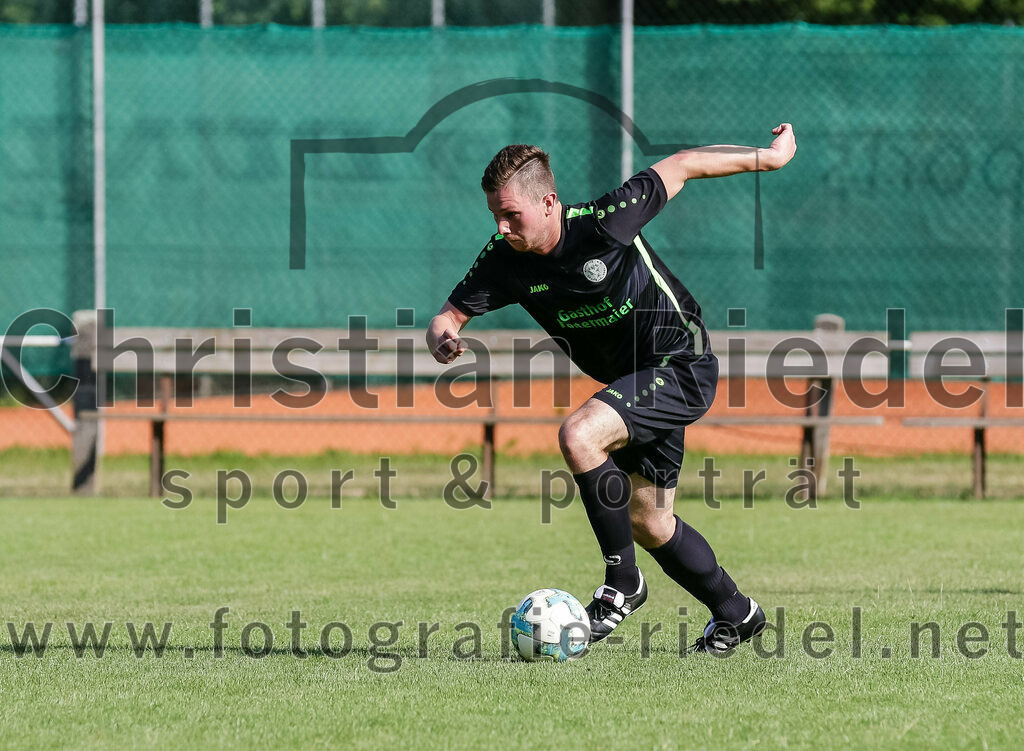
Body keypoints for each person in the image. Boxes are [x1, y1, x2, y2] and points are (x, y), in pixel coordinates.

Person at [426, 125, 797, 653]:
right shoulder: (505, 258)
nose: (503, 226)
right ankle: (737, 614)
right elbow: (448, 316)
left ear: (549, 202)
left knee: (580, 435)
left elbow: (685, 164)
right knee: (650, 522)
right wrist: (443, 335)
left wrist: (772, 158)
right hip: (634, 384)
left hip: (680, 361)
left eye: (512, 214)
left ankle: (623, 583)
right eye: (495, 216)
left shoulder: (604, 222)